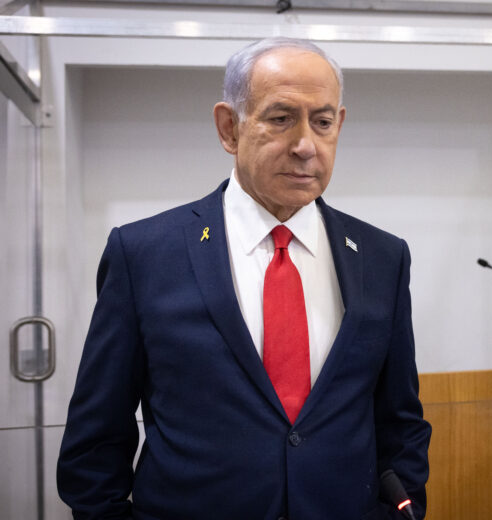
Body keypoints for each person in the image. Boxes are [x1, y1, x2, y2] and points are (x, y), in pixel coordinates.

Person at [56, 38, 431, 519]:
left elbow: (399, 420)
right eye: (280, 119)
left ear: (339, 125)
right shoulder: (145, 254)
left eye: (321, 122)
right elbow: (96, 438)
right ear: (229, 128)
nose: (304, 146)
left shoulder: (382, 257)